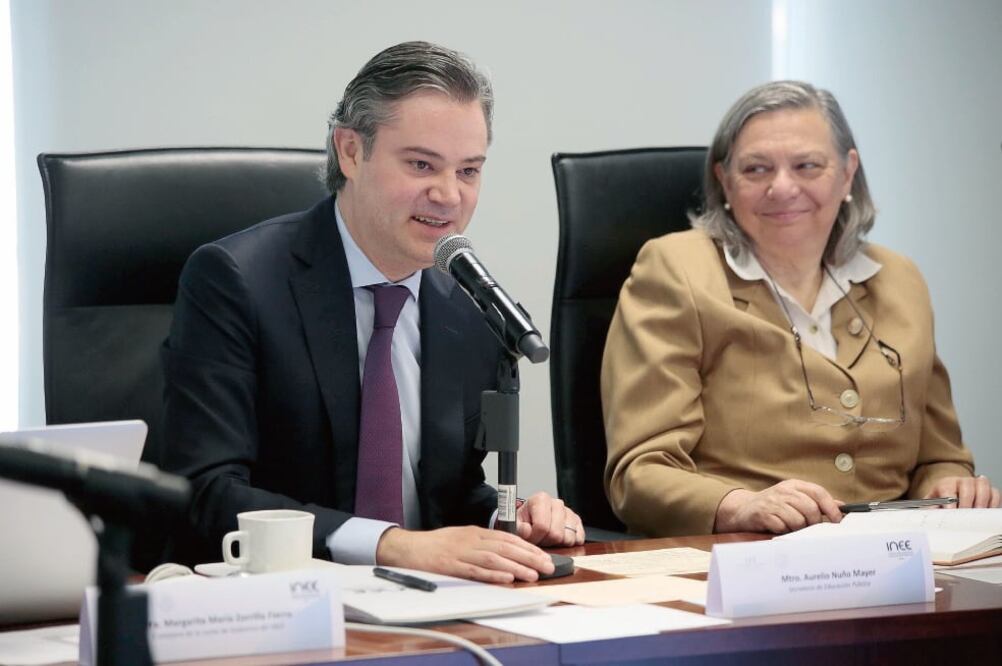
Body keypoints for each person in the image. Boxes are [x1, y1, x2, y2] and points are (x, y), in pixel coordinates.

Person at [161, 41, 584, 582]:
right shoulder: (235, 281)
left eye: (469, 171)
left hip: (425, 607)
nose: (448, 195)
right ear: (351, 152)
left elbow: (444, 491)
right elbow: (205, 491)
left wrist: (509, 518)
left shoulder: (469, 303)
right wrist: (389, 545)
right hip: (274, 598)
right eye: (421, 164)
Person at [601, 80, 999, 537]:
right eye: (756, 169)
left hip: (895, 557)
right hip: (741, 554)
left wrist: (949, 483)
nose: (782, 187)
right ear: (723, 181)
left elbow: (939, 454)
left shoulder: (899, 279)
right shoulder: (677, 270)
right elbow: (641, 471)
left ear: (848, 173)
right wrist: (739, 507)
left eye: (807, 165)